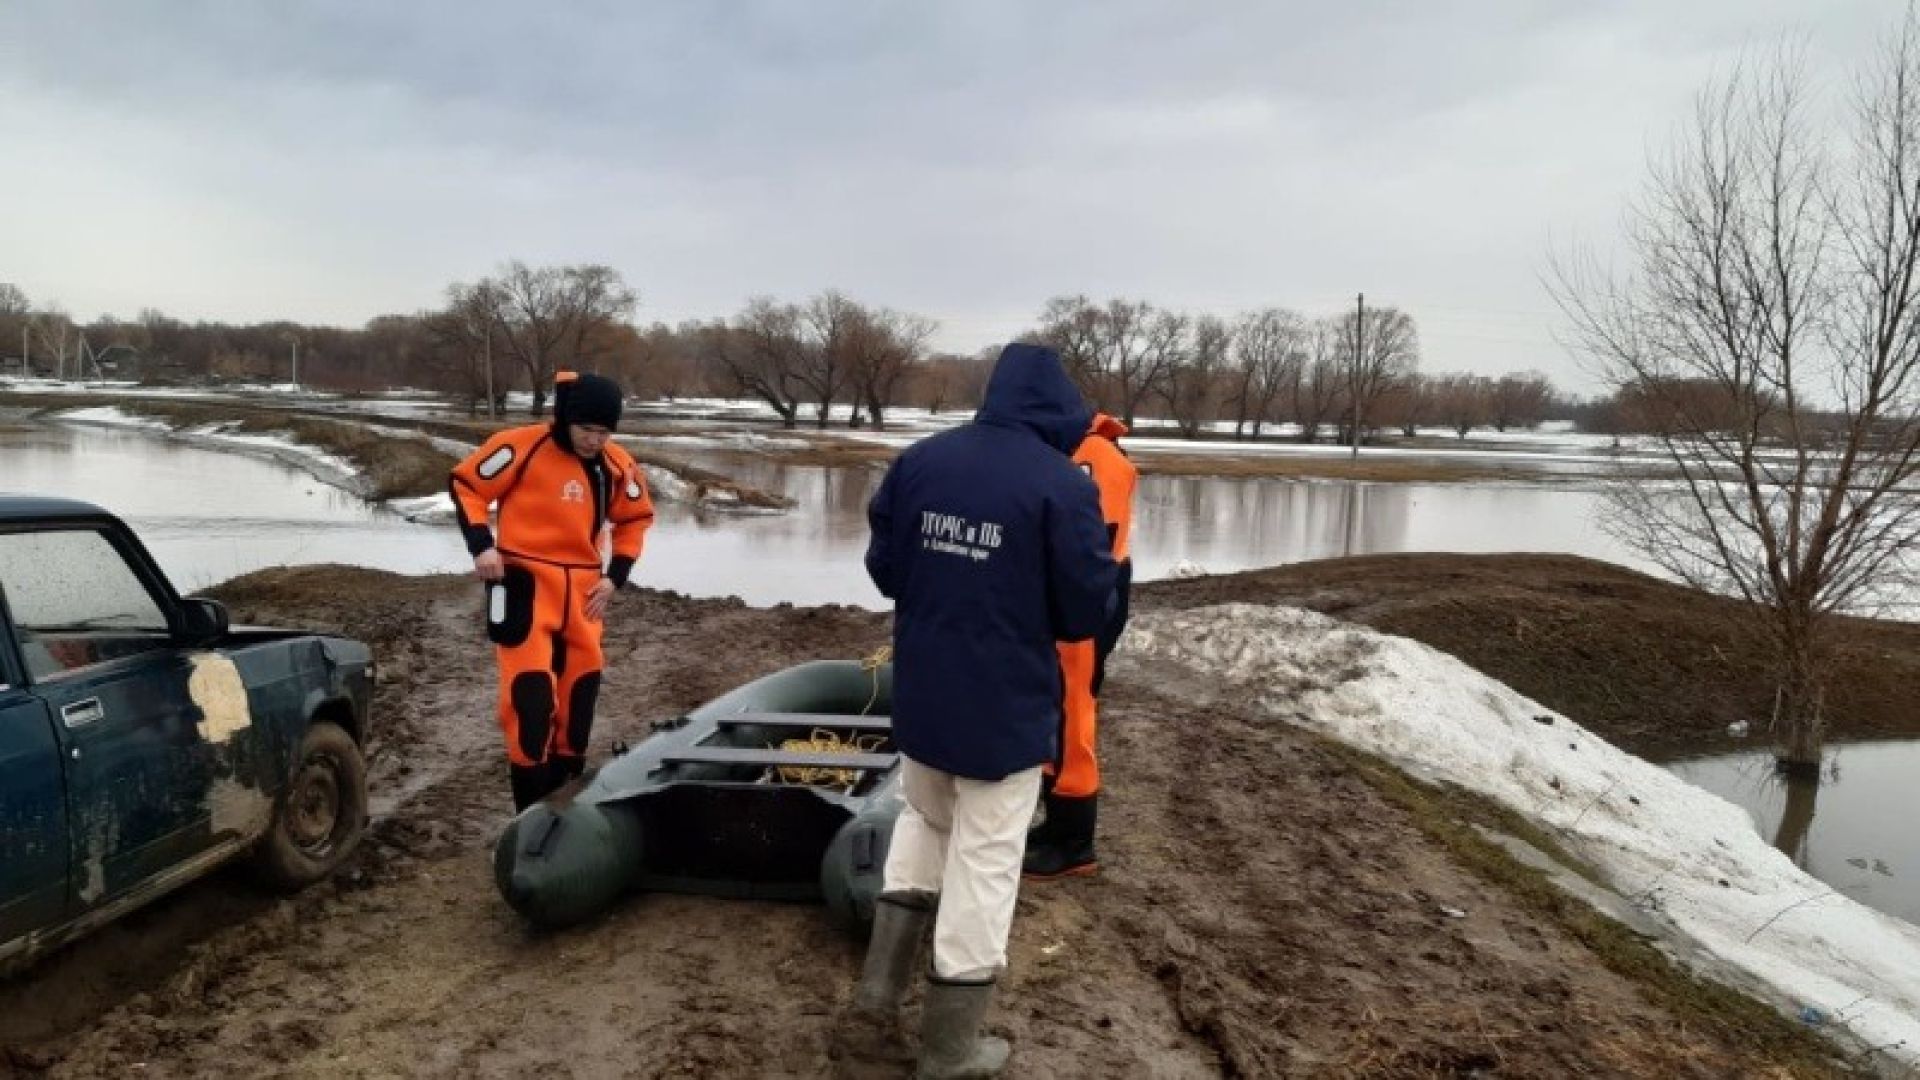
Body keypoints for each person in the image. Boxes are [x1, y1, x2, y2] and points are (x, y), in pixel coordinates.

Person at [851, 343, 1117, 1079]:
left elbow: (885, 569)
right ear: (1057, 408)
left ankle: (873, 1005)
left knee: (923, 821)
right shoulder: (1062, 486)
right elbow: (1082, 610)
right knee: (987, 861)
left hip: (927, 698)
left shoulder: (920, 462)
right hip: (1003, 712)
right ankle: (950, 1046)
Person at [449, 371, 655, 812]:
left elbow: (635, 517)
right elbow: (467, 485)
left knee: (580, 703)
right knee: (530, 699)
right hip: (524, 587)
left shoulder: (617, 463)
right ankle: (528, 814)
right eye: (587, 430)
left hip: (584, 594)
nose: (594, 440)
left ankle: (563, 808)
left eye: (604, 432)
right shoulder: (520, 446)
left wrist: (615, 575)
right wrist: (482, 546)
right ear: (565, 419)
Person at [1023, 411, 1137, 880]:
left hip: (1084, 600)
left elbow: (1091, 542)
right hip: (1077, 594)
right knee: (1058, 708)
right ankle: (1056, 826)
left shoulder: (1094, 457)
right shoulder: (1072, 449)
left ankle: (1074, 842)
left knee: (1073, 711)